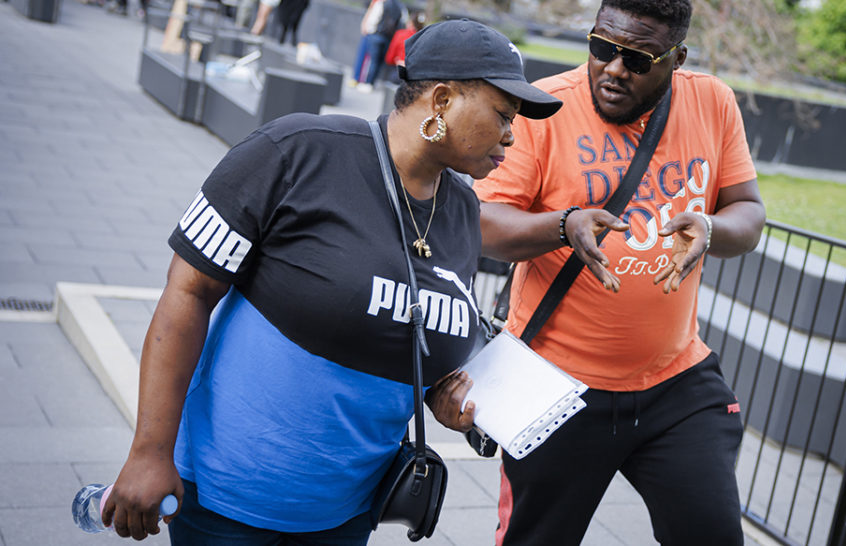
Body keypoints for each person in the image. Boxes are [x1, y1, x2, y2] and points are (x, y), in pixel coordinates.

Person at [101, 19, 561, 545]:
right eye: (504, 114)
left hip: (345, 515)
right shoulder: (296, 152)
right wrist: (148, 452)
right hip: (229, 502)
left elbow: (409, 324)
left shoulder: (460, 210)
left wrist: (439, 396)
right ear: (441, 99)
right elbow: (187, 293)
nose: (511, 134)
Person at [472, 0, 766, 544]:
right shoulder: (545, 108)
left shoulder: (713, 103)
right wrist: (562, 226)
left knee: (714, 534)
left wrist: (711, 228)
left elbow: (748, 211)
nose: (612, 68)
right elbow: (484, 224)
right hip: (555, 387)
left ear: (675, 58)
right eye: (602, 48)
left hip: (675, 382)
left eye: (636, 59)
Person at [350, 0, 402, 92]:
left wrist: (370, 30)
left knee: (372, 61)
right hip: (388, 37)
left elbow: (374, 19)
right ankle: (372, 83)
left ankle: (367, 83)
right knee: (379, 62)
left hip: (376, 35)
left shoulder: (381, 4)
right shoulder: (399, 6)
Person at [383, 9, 426, 83]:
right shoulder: (424, 37)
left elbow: (391, 55)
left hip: (398, 70)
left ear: (411, 23)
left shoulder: (401, 34)